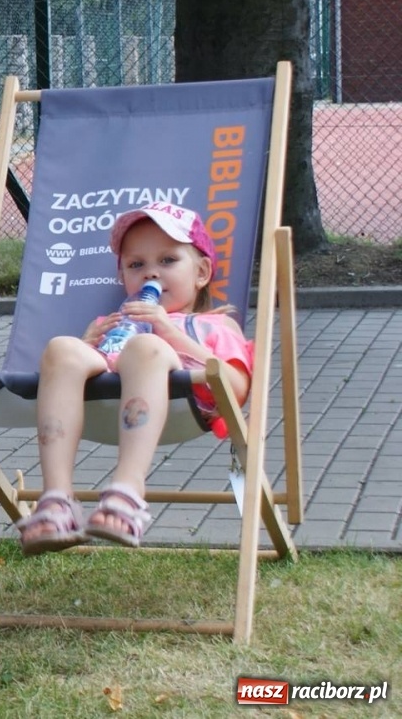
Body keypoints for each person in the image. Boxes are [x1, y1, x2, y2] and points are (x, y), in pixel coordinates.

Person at [17, 201, 254, 555]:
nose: (151, 274)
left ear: (202, 272)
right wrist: (87, 342)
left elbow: (236, 389)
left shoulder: (214, 325)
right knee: (60, 348)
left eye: (168, 260)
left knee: (145, 347)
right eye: (136, 264)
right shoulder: (113, 324)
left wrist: (169, 335)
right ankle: (57, 500)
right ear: (123, 277)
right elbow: (66, 375)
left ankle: (127, 492)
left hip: (180, 408)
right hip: (100, 406)